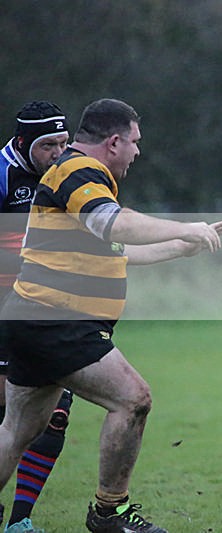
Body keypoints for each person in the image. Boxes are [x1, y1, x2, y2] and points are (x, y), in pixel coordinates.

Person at [0, 98, 222, 533]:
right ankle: (110, 512)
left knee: (15, 432)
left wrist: (182, 247)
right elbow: (114, 225)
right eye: (135, 143)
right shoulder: (79, 171)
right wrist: (183, 226)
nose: (138, 153)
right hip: (56, 320)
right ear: (115, 141)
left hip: (34, 317)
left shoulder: (77, 176)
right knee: (132, 399)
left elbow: (118, 250)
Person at [0, 101, 73, 533]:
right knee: (12, 416)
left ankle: (20, 521)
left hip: (40, 306)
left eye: (64, 143)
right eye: (49, 145)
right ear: (24, 142)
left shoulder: (65, 173)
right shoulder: (4, 174)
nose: (58, 153)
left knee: (55, 413)